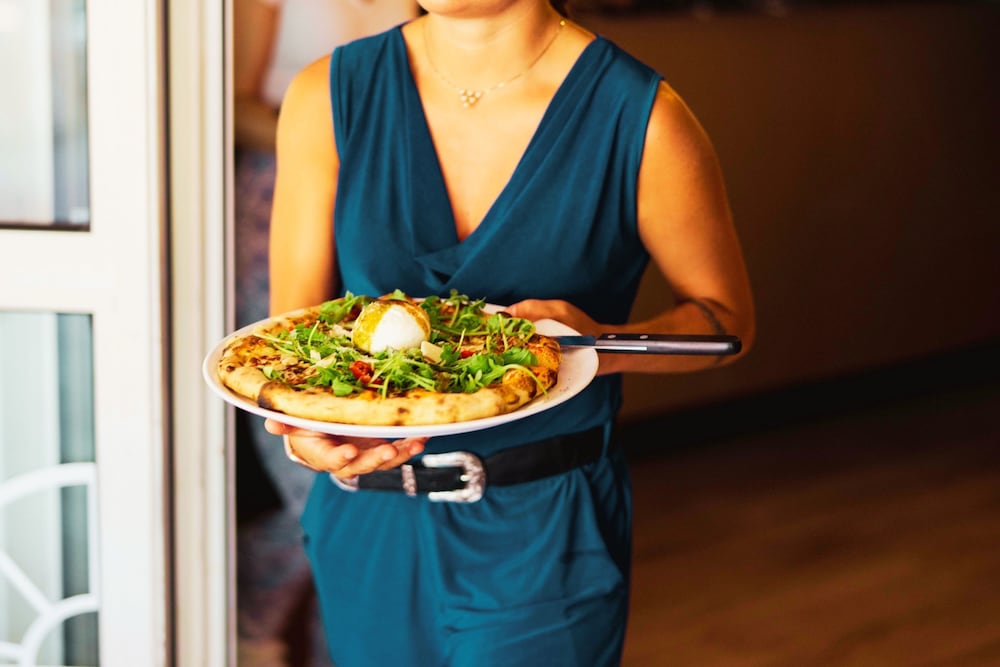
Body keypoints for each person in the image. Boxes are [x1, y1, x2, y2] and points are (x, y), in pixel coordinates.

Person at [262, 0, 756, 662]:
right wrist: (306, 436)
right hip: (368, 518)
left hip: (541, 526)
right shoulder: (326, 95)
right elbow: (291, 338)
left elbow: (726, 323)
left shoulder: (642, 115)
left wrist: (599, 346)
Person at [232, 0, 419, 665]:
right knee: (317, 470)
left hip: (389, 201)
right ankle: (250, 627)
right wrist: (336, 145)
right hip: (282, 191)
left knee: (387, 436)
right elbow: (234, 106)